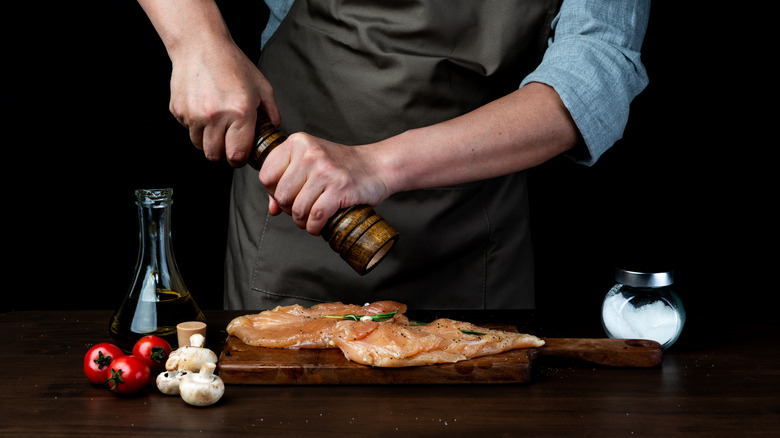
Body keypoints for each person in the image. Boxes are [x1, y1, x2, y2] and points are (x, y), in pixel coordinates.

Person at [136, 0, 650, 310]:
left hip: (469, 219)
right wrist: (197, 41)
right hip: (295, 186)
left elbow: (596, 68)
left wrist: (376, 166)